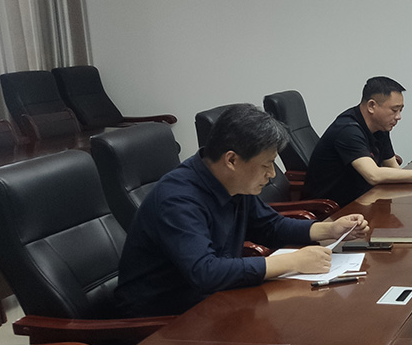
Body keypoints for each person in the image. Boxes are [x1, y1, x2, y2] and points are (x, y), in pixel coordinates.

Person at [116, 104, 369, 317]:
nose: (272, 175)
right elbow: (205, 272)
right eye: (267, 164)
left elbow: (270, 226)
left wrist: (330, 229)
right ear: (232, 160)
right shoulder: (178, 199)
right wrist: (292, 261)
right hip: (161, 323)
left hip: (213, 303)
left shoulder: (232, 183)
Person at [303, 76, 412, 206]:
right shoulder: (347, 130)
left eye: (401, 110)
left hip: (364, 199)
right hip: (332, 210)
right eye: (394, 110)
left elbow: (393, 168)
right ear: (372, 106)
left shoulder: (380, 127)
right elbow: (374, 175)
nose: (398, 117)